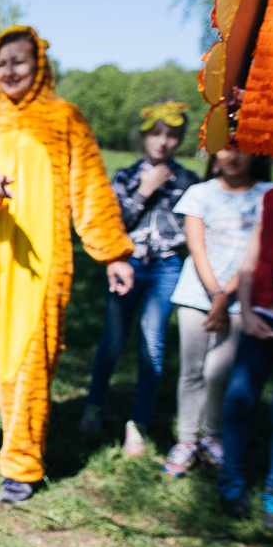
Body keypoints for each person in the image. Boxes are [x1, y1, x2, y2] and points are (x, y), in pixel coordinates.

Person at [0, 26, 135, 503]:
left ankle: (21, 464)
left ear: (39, 65)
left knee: (28, 358)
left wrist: (113, 253)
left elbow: (91, 191)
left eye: (19, 61)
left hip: (38, 266)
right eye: (2, 63)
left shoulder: (66, 119)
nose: (10, 71)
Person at [80, 102, 200, 446]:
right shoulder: (125, 176)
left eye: (172, 135)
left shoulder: (188, 181)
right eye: (157, 134)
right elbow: (113, 225)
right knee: (113, 340)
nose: (163, 142)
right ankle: (95, 403)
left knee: (153, 344)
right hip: (126, 265)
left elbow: (190, 233)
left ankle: (140, 421)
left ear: (180, 140)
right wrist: (145, 190)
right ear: (144, 136)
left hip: (166, 268)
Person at [161, 148, 273, 477]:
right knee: (192, 371)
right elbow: (196, 247)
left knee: (218, 373)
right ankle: (186, 440)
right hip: (196, 296)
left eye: (242, 149)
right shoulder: (200, 193)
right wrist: (215, 294)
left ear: (258, 154)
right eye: (226, 147)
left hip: (241, 301)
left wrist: (226, 297)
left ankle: (212, 436)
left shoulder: (267, 195)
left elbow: (259, 250)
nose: (233, 156)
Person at [218, 174, 273, 525]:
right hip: (260, 316)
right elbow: (251, 260)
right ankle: (231, 480)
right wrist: (246, 311)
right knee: (239, 399)